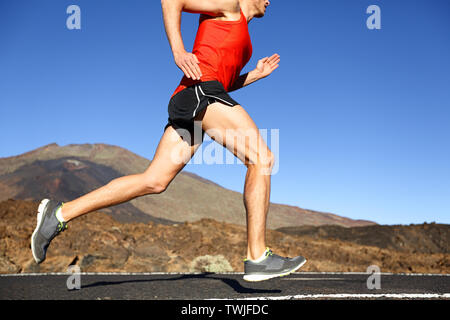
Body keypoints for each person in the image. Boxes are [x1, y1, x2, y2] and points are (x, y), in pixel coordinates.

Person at [31, 0, 306, 282]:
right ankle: (258, 256)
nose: (270, 2)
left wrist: (254, 75)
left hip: (194, 98)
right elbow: (172, 0)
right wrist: (178, 50)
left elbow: (224, 80)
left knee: (154, 181)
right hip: (202, 94)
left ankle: (59, 214)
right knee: (261, 158)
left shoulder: (244, 33)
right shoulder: (230, 6)